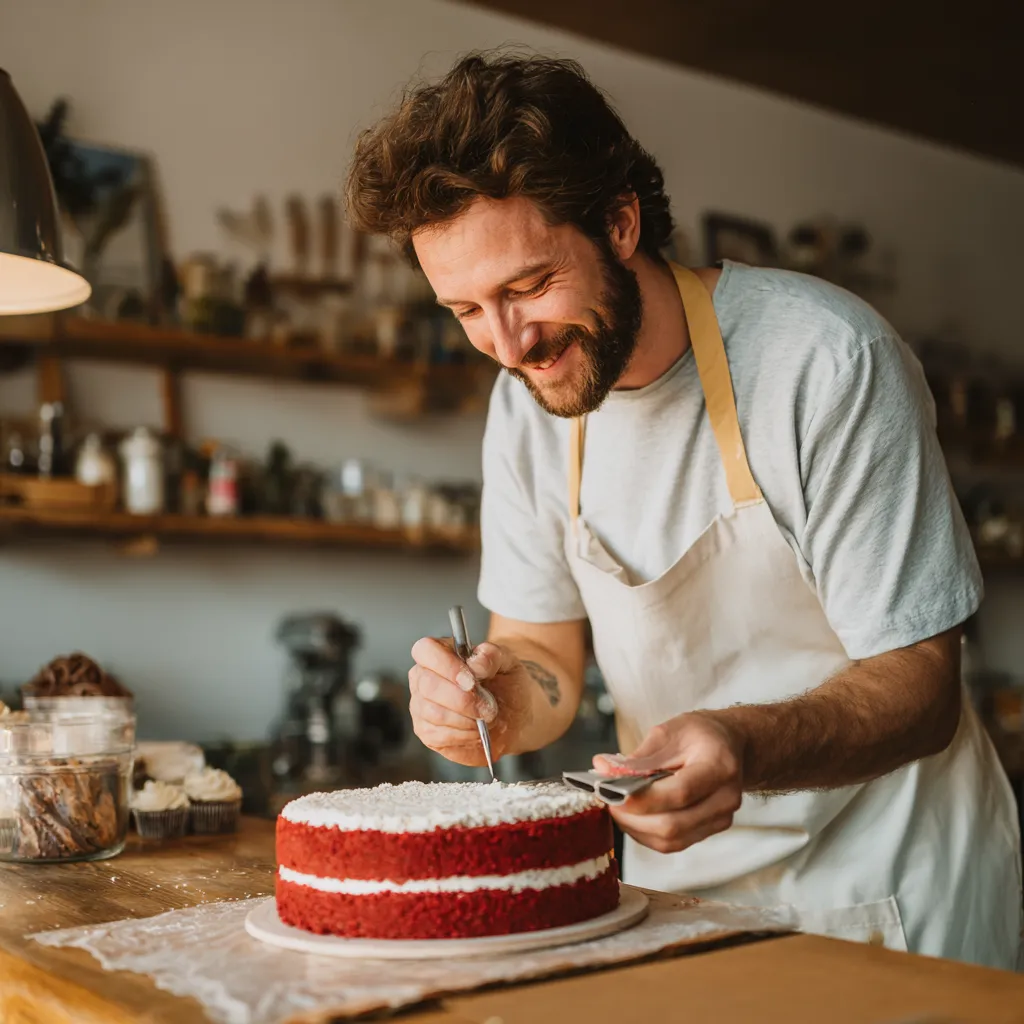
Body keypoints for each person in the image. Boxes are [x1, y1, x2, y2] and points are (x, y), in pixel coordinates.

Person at [345, 52, 1022, 968]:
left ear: (620, 220)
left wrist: (741, 741)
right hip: (680, 898)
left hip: (893, 889)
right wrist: (498, 704)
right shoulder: (526, 411)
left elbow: (921, 687)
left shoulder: (824, 362)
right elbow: (542, 658)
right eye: (464, 309)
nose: (507, 344)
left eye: (528, 287)